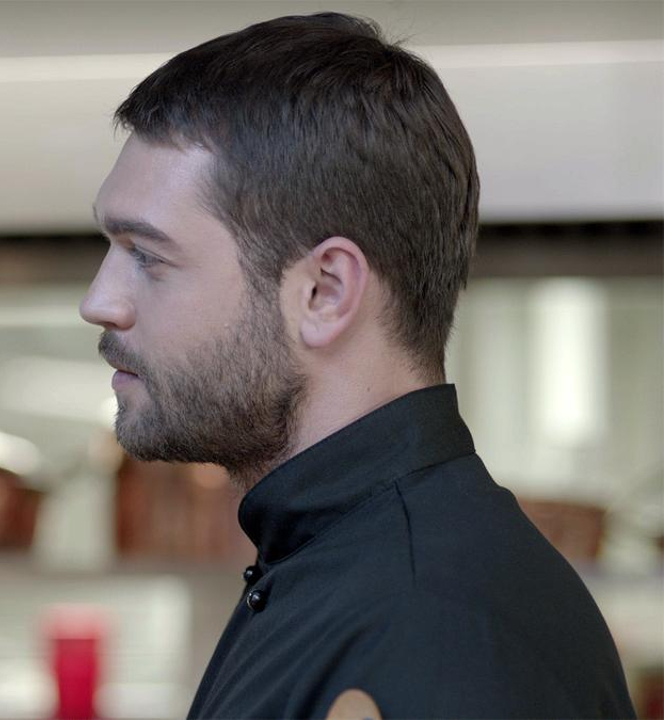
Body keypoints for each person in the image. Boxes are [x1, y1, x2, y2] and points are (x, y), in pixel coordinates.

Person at [80, 13, 636, 719]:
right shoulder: (345, 570)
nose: (98, 302)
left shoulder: (431, 632)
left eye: (148, 256)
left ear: (325, 292)